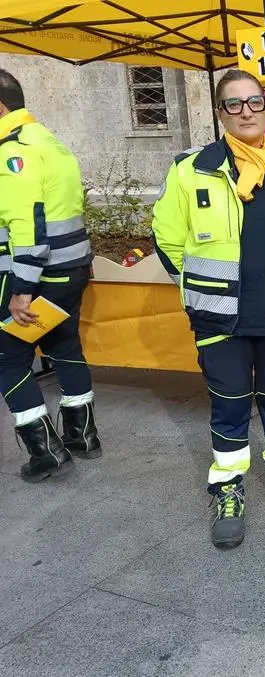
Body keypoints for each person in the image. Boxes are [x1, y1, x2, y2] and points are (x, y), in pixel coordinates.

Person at [152, 70, 265, 549]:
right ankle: (227, 488)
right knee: (228, 405)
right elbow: (166, 237)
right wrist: (197, 284)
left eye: (254, 102)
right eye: (234, 104)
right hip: (219, 313)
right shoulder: (191, 169)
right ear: (219, 112)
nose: (246, 111)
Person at [0, 68, 100, 483]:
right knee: (64, 345)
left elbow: (28, 225)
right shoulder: (50, 140)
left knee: (8, 358)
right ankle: (81, 435)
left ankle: (46, 453)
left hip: (36, 273)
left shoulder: (12, 151)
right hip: (71, 267)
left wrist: (21, 289)